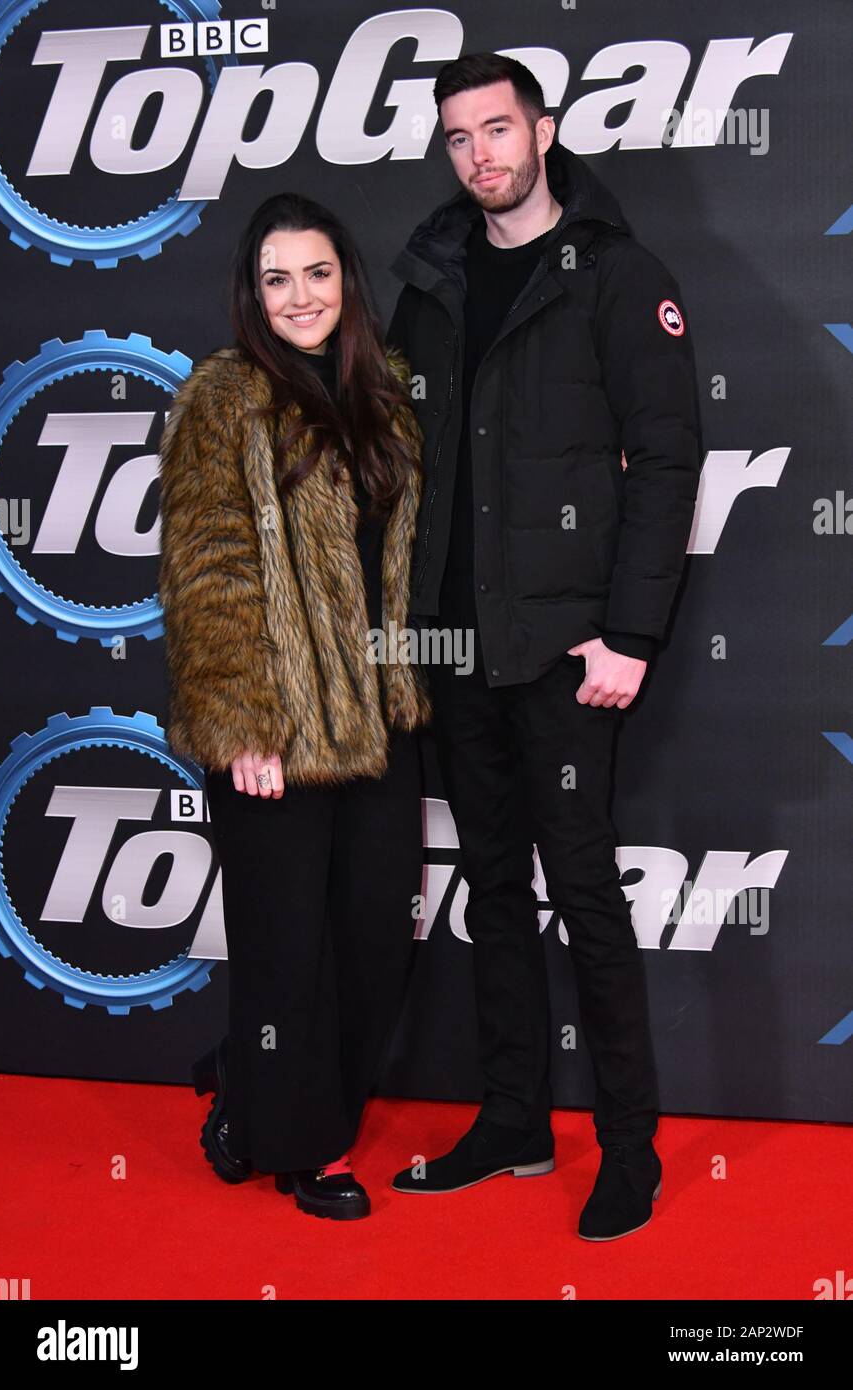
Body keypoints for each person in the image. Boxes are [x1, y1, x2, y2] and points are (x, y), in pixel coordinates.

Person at [386, 53, 703, 1239]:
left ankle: (630, 1150)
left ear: (542, 129)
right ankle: (512, 1119)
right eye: (458, 138)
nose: (479, 155)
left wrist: (629, 632)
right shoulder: (430, 280)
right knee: (493, 898)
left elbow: (667, 459)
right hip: (457, 648)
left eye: (496, 129)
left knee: (582, 893)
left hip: (570, 654)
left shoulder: (614, 276)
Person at [157, 192, 431, 1221]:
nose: (299, 295)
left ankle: (243, 1072)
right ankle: (287, 1140)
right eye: (276, 278)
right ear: (251, 294)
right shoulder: (222, 397)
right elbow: (209, 572)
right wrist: (241, 726)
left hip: (378, 722)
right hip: (274, 728)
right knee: (289, 953)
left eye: (315, 272)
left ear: (345, 281)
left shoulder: (386, 393)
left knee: (371, 946)